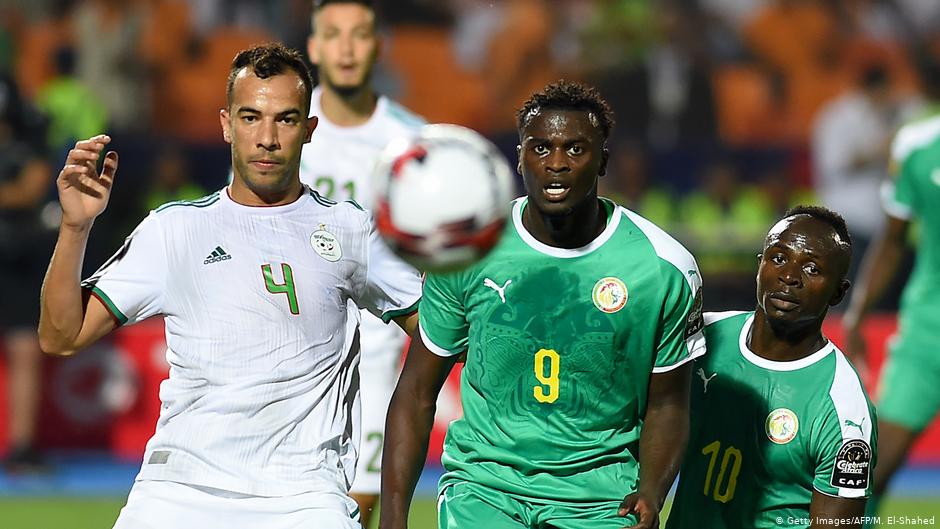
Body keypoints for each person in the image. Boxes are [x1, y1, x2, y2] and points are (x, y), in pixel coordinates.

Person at [38, 43, 421, 529]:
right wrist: (75, 228)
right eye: (250, 118)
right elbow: (60, 335)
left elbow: (438, 330)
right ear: (225, 124)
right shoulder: (174, 230)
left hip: (303, 495)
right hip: (178, 489)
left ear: (309, 129)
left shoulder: (351, 231)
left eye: (285, 120)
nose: (267, 138)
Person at [380, 80, 706, 529]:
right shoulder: (468, 250)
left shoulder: (662, 268)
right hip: (484, 489)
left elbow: (668, 404)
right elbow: (416, 393)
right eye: (540, 148)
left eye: (575, 149)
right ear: (519, 157)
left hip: (601, 499)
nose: (556, 163)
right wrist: (393, 519)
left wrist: (651, 490)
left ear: (603, 160)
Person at [667, 206, 876, 529]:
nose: (789, 277)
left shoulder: (844, 407)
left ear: (838, 292)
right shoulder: (700, 341)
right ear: (759, 265)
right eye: (778, 258)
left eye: (812, 268)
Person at [303, 1, 424, 523]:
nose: (347, 48)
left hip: (376, 345)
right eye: (333, 34)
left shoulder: (411, 140)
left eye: (359, 35)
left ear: (378, 47)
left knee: (354, 506)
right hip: (292, 337)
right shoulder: (285, 125)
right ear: (314, 47)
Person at [842, 55, 940, 522]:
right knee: (868, 470)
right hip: (928, 333)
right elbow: (892, 238)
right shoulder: (917, 147)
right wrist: (858, 313)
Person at [0, 73, 53, 473]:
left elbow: (31, 189)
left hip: (16, 255)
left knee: (24, 350)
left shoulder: (29, 140)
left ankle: (23, 445)